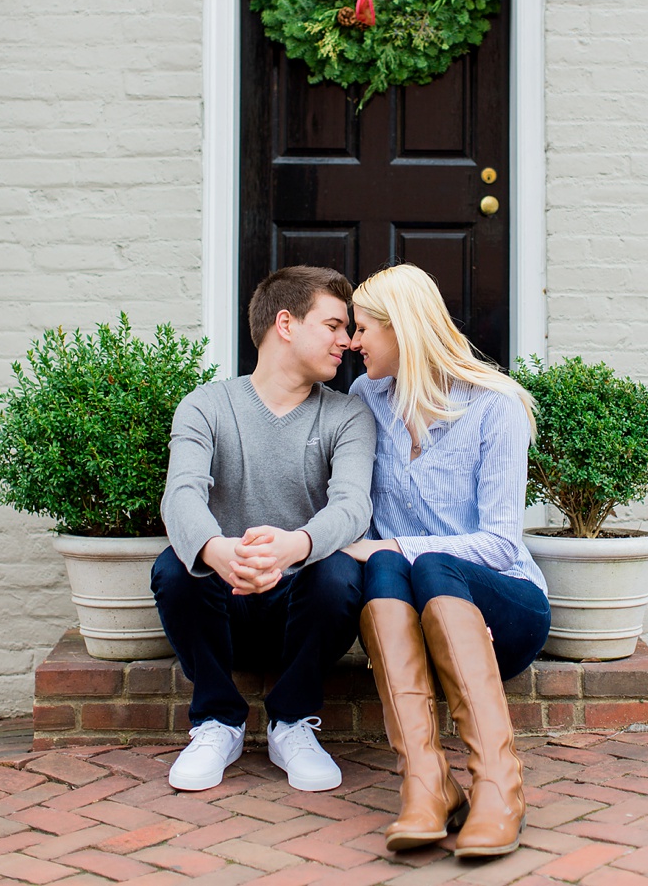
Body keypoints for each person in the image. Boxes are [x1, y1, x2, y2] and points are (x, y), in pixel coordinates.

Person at [339, 263, 550, 858]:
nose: (353, 343)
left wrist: (398, 548)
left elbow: (503, 543)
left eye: (362, 329)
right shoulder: (366, 399)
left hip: (502, 606)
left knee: (418, 563)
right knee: (387, 568)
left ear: (401, 329)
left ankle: (499, 786)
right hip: (415, 618)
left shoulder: (495, 406)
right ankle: (427, 783)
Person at [154, 265, 375, 793]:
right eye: (335, 325)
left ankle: (291, 721)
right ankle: (217, 721)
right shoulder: (206, 406)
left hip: (302, 606)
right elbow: (180, 494)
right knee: (174, 568)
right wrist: (216, 550)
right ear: (286, 323)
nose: (348, 341)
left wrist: (293, 547)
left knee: (342, 573)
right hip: (222, 604)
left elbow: (352, 507)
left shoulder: (348, 416)